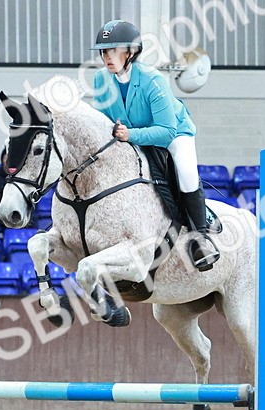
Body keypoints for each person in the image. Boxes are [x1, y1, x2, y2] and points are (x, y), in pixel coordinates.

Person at [88, 19, 219, 271]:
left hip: (174, 133)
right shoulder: (100, 79)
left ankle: (200, 238)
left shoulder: (153, 80)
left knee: (187, 172)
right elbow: (101, 121)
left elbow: (167, 131)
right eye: (103, 52)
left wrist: (130, 135)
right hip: (129, 136)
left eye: (113, 51)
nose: (106, 57)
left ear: (131, 52)